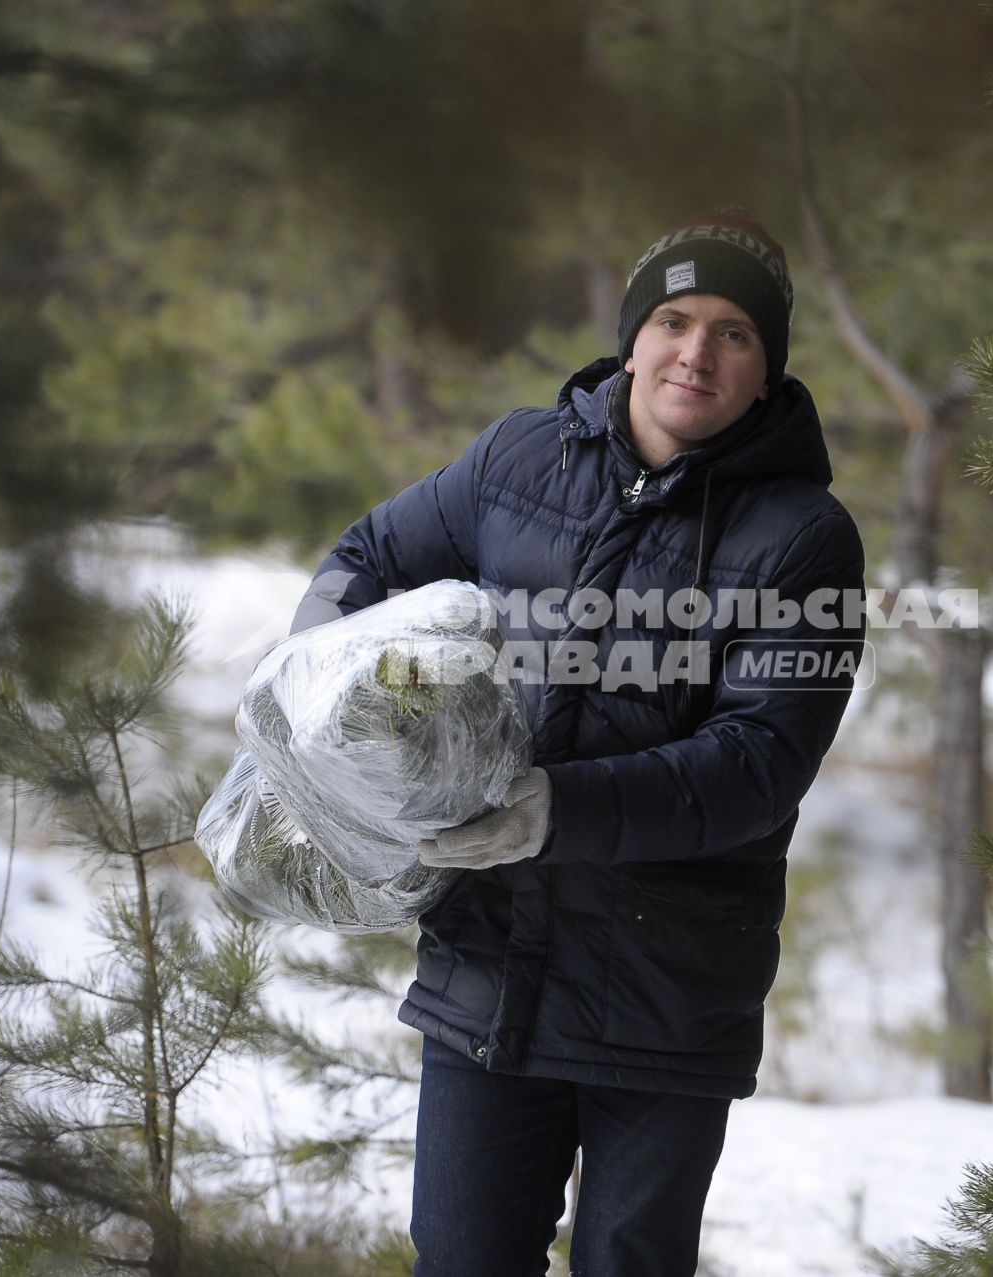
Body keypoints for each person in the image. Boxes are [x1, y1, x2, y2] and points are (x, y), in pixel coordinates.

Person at [291, 211, 865, 1276]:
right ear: (635, 334)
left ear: (766, 365)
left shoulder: (804, 538)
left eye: (734, 332)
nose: (697, 352)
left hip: (664, 993)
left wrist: (551, 808)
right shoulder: (519, 457)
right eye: (676, 320)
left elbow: (758, 764)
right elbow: (366, 553)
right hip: (485, 973)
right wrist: (319, 683)